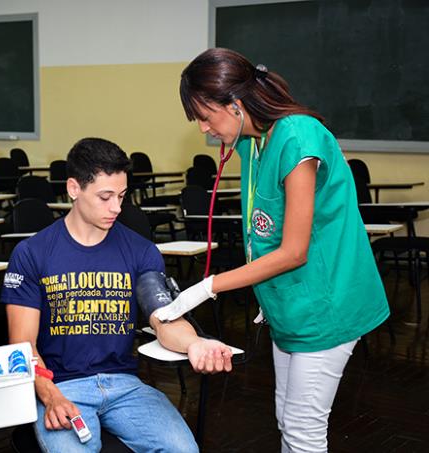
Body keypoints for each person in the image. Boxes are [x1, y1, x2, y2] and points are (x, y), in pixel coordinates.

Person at [165, 47, 390, 452]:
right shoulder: (256, 141)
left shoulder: (297, 137)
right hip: (290, 304)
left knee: (303, 430)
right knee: (288, 419)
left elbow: (294, 251)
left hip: (326, 305)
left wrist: (207, 286)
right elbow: (264, 231)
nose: (203, 129)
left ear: (234, 105)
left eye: (204, 116)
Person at [1, 137, 233, 452]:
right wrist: (50, 395)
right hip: (61, 386)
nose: (117, 208)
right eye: (105, 196)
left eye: (122, 196)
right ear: (73, 189)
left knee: (184, 450)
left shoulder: (140, 251)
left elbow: (163, 317)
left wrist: (195, 345)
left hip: (124, 387)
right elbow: (22, 345)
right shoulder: (32, 253)